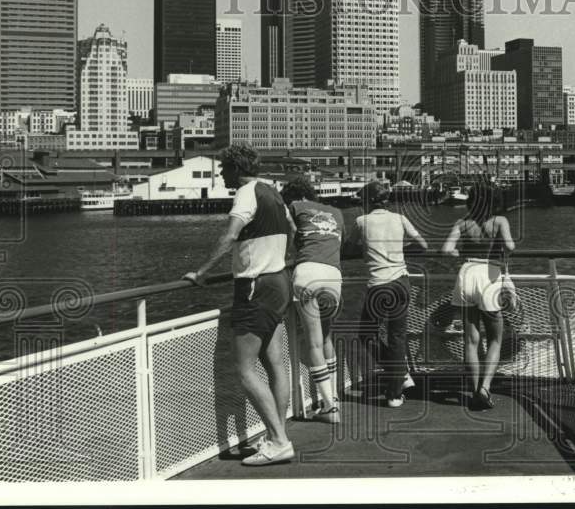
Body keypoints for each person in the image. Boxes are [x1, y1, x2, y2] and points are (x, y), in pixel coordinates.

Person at [182, 143, 295, 466]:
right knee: (274, 363)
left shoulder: (246, 193)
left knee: (244, 368)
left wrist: (201, 273)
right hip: (279, 280)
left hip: (255, 285)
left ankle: (278, 440)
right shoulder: (273, 192)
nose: (220, 173)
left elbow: (230, 236)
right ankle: (279, 434)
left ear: (235, 168)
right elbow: (293, 229)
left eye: (223, 168)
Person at [441, 183, 516, 411]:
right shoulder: (500, 221)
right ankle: (485, 388)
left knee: (471, 340)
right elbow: (510, 246)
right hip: (489, 275)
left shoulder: (462, 223)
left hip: (467, 274)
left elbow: (446, 250)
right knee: (495, 338)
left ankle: (475, 392)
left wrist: (460, 252)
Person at [353, 181, 427, 407]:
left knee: (367, 334)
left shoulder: (361, 221)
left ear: (367, 201)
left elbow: (349, 247)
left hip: (379, 285)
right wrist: (399, 250)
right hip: (402, 282)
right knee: (397, 337)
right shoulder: (400, 219)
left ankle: (399, 374)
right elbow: (422, 244)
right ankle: (395, 392)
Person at [281, 175, 344, 423]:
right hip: (333, 276)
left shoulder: (295, 207)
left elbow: (292, 235)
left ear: (293, 196)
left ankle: (330, 408)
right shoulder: (337, 213)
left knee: (313, 344)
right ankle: (335, 397)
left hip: (307, 274)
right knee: (326, 337)